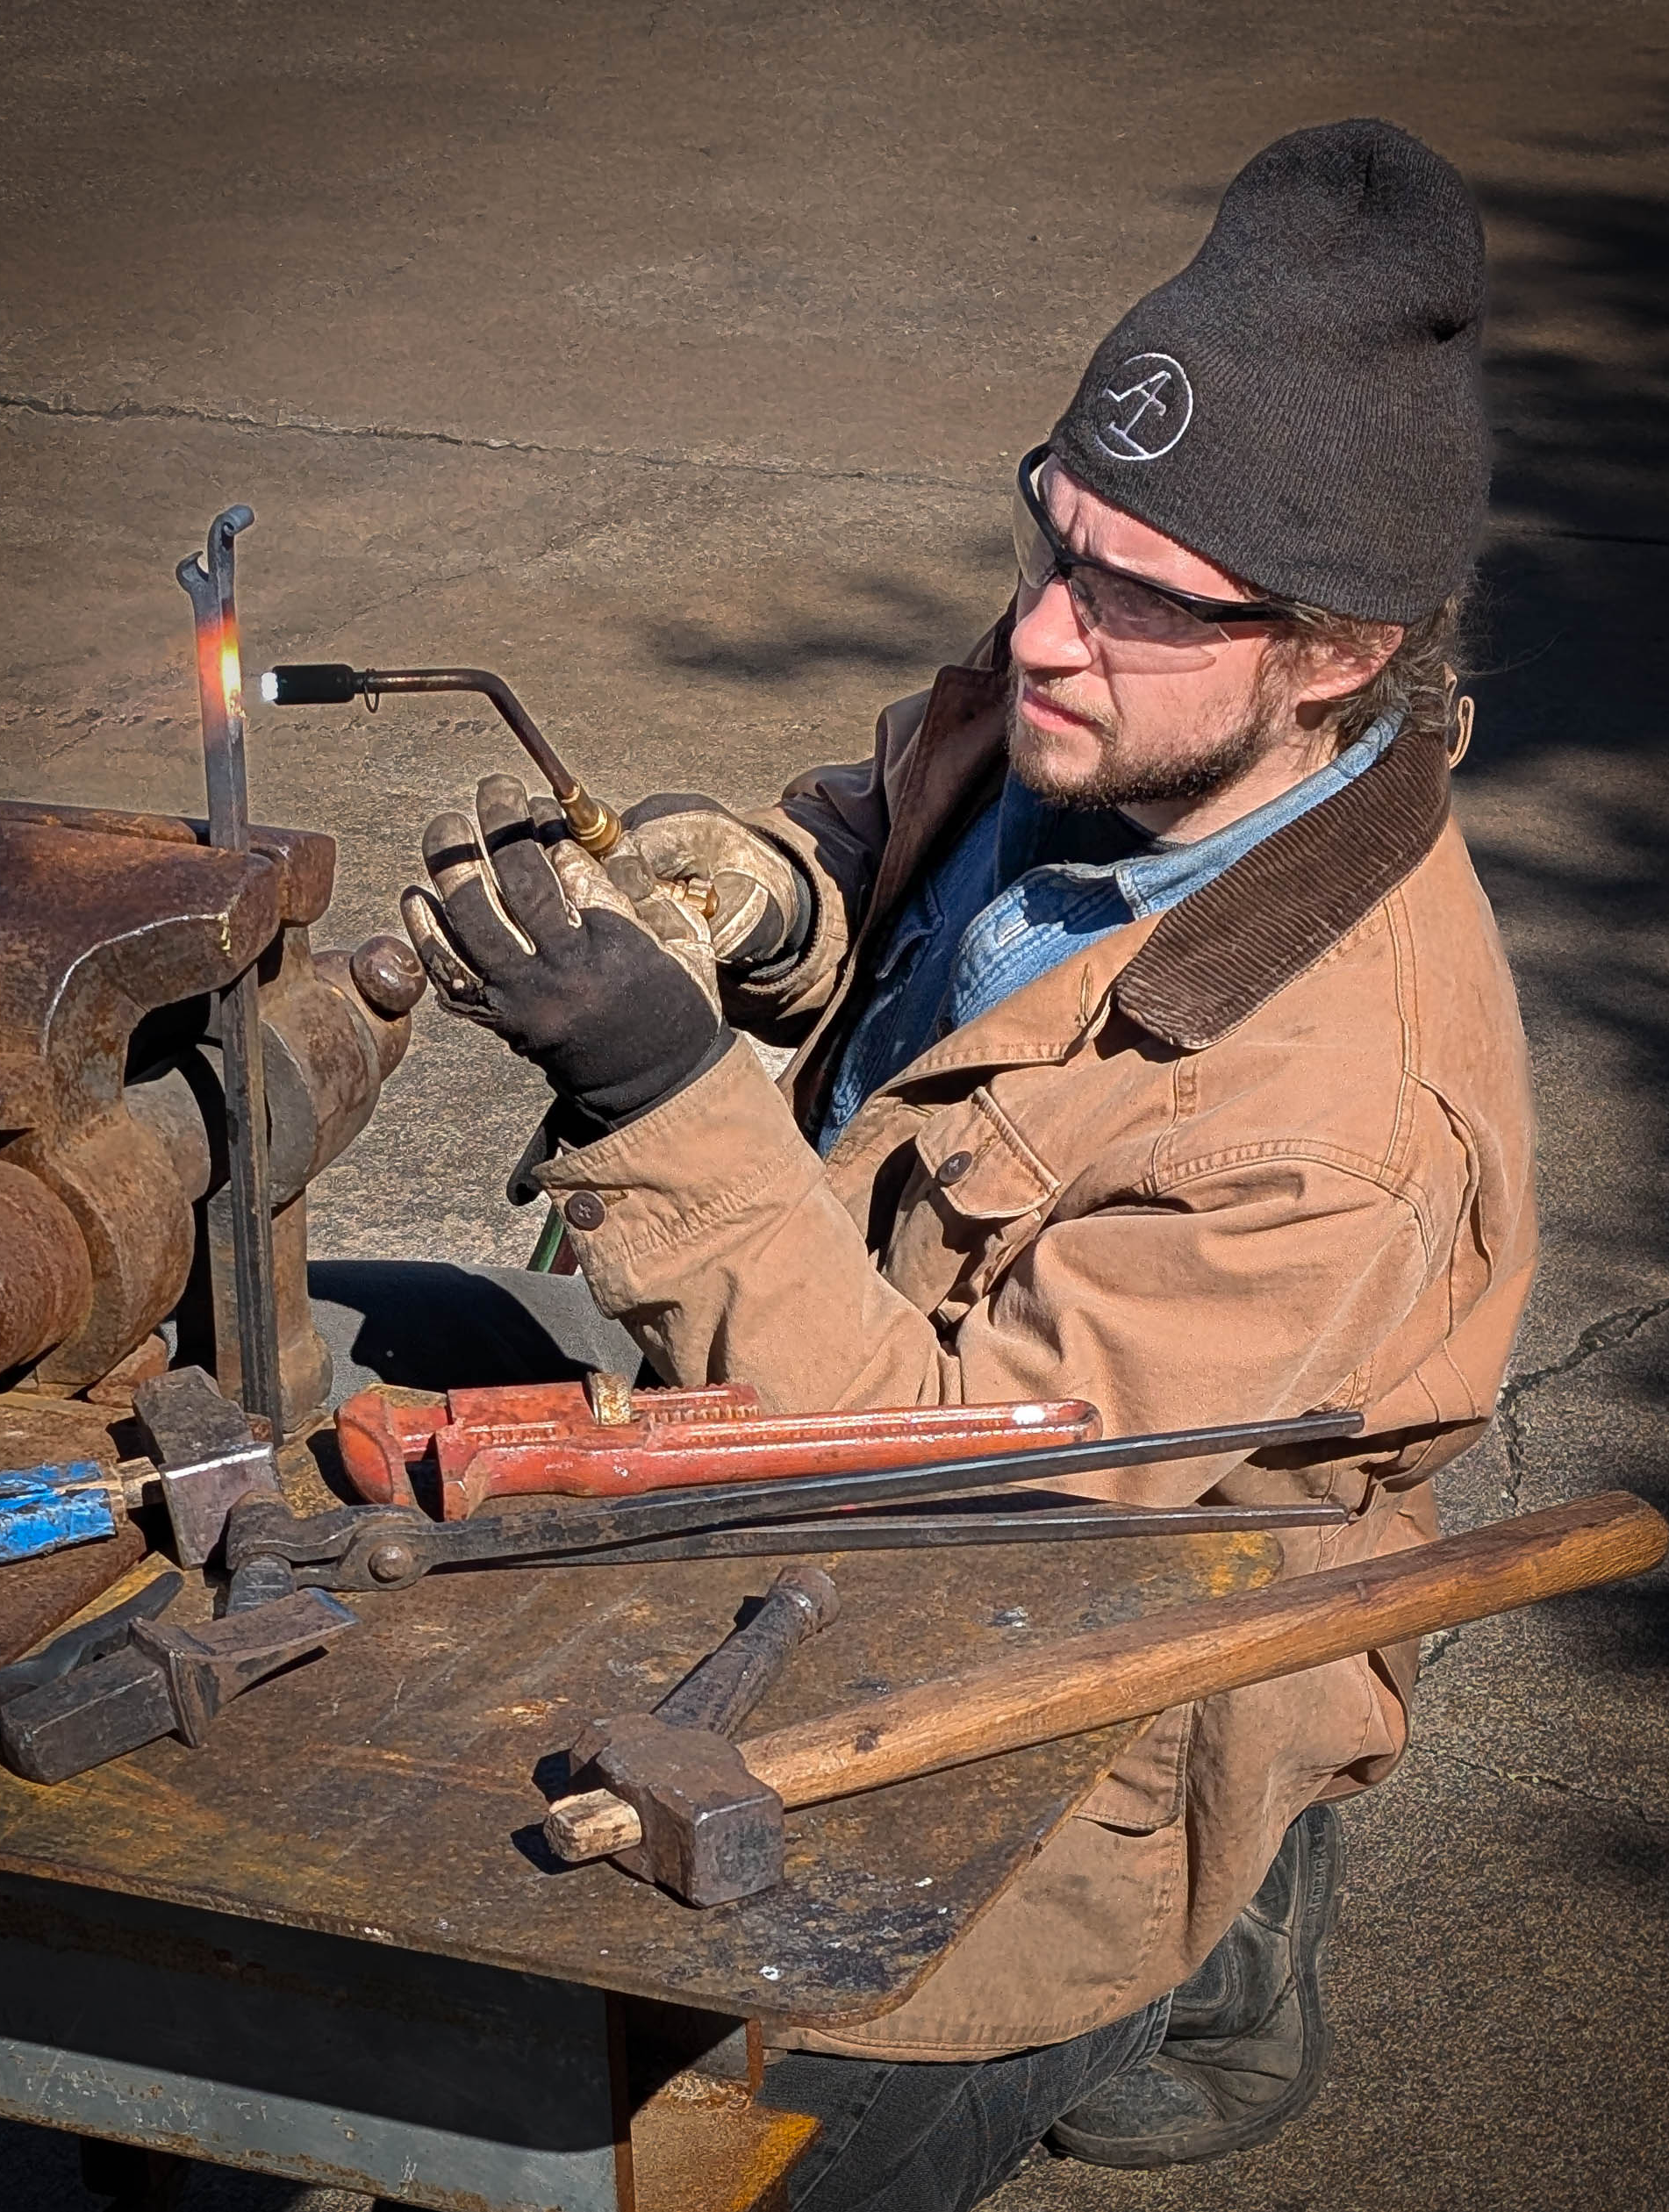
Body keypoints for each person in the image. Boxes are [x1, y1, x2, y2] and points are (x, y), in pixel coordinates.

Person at [387, 118, 1536, 2210]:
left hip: (1017, 1637)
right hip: (813, 1382)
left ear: (1344, 649)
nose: (1038, 636)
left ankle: (1200, 1910)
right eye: (1045, 537)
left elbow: (951, 1493)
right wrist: (772, 901)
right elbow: (933, 927)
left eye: (1133, 592)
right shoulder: (1122, 711)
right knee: (351, 1361)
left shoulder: (1334, 1124)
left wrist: (660, 1097)